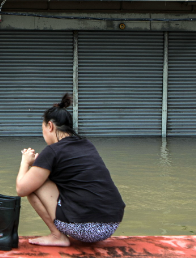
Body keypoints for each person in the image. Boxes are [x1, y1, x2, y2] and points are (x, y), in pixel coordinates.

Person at [15, 93, 124, 247]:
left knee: (32, 187)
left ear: (50, 126)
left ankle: (57, 236)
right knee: (41, 179)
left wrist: (25, 162)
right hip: (111, 224)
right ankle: (62, 232)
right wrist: (39, 164)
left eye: (43, 129)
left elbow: (21, 189)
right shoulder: (87, 145)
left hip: (84, 229)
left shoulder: (52, 151)